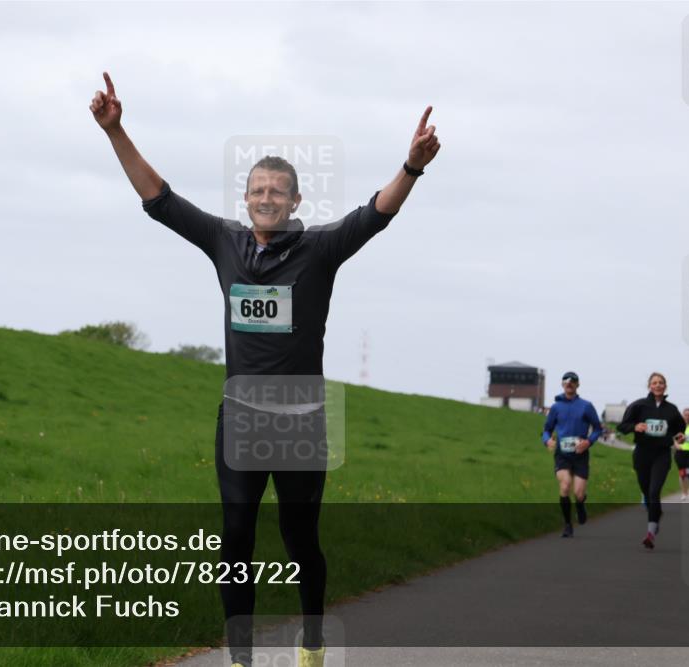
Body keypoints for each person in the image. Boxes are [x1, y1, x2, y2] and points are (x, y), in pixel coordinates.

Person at [90, 72, 441, 667]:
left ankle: (312, 640)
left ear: (296, 202)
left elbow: (375, 214)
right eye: (258, 190)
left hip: (301, 425)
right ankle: (241, 656)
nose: (267, 198)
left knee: (301, 542)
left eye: (279, 191)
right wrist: (115, 131)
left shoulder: (321, 249)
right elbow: (161, 200)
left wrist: (411, 167)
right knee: (235, 542)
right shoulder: (224, 242)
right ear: (246, 198)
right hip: (243, 421)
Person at [617, 372, 686, 549]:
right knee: (647, 493)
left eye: (661, 383)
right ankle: (656, 514)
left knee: (655, 491)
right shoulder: (638, 405)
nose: (657, 385)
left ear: (665, 386)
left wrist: (680, 436)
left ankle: (650, 533)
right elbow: (622, 427)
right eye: (654, 383)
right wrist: (635, 426)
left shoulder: (671, 409)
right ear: (649, 386)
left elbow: (680, 429)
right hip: (642, 454)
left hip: (662, 454)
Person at [541, 371, 603, 537]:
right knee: (565, 485)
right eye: (566, 381)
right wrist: (547, 441)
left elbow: (598, 428)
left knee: (579, 493)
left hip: (580, 454)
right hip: (562, 454)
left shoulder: (586, 406)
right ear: (562, 384)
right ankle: (568, 524)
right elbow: (546, 430)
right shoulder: (555, 407)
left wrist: (588, 442)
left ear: (577, 384)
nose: (569, 383)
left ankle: (581, 504)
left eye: (573, 381)